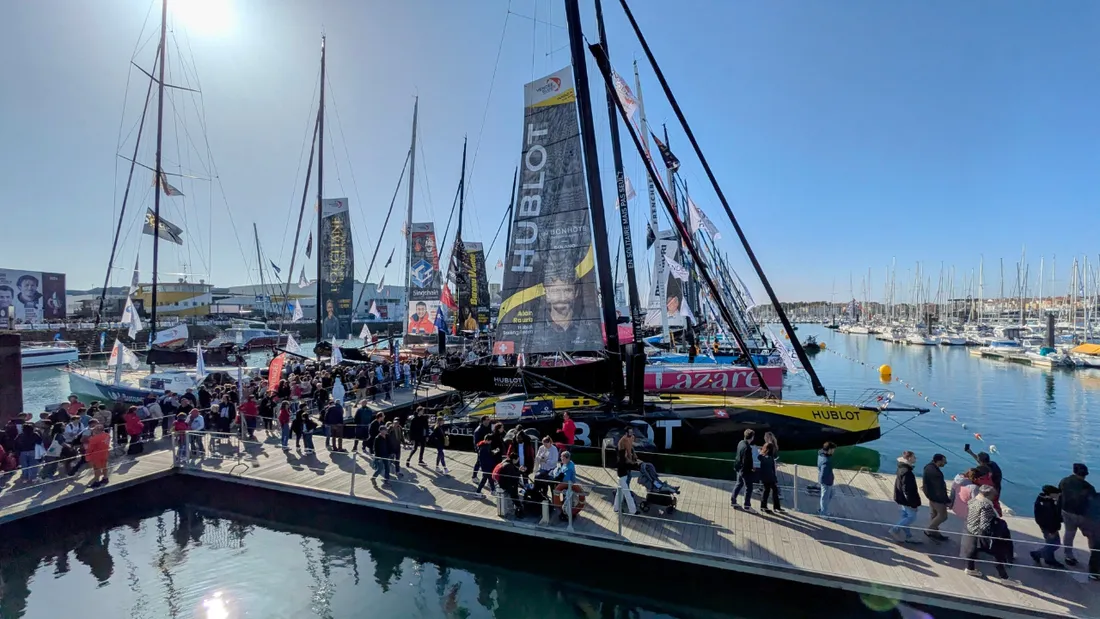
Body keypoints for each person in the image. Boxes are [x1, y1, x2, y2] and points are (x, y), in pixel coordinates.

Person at [962, 485, 1012, 580]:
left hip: (971, 528)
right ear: (988, 495)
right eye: (993, 494)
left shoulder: (973, 501)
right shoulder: (986, 506)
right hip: (980, 532)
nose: (995, 495)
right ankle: (1004, 578)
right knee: (998, 554)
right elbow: (984, 524)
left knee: (972, 550)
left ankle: (970, 569)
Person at [1058, 462, 1095, 566]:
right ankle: (1095, 557)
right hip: (1083, 515)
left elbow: (1059, 495)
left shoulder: (1064, 481)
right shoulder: (1088, 487)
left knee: (1069, 534)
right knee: (1092, 536)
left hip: (1066, 512)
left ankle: (1068, 556)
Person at [889, 451, 922, 544]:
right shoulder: (907, 472)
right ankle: (895, 529)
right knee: (911, 517)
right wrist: (912, 504)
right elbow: (907, 490)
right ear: (909, 458)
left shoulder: (901, 468)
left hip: (900, 497)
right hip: (906, 499)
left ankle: (909, 536)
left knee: (905, 516)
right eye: (914, 457)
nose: (915, 459)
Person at [1029, 485, 1066, 568]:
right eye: (1057, 494)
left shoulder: (1046, 501)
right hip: (1049, 528)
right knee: (1054, 544)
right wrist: (1052, 531)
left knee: (1051, 543)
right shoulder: (1046, 504)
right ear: (1052, 494)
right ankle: (1037, 554)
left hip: (1051, 527)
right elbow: (1049, 518)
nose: (1058, 496)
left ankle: (1049, 559)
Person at [922, 453, 950, 541]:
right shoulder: (936, 473)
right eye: (944, 461)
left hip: (930, 495)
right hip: (937, 498)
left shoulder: (928, 467)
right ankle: (929, 530)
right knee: (943, 516)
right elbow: (939, 488)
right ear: (938, 461)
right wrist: (946, 500)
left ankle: (934, 533)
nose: (945, 463)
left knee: (934, 515)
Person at [614, 429, 639, 515]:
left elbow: (631, 447)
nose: (631, 433)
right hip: (622, 474)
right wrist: (633, 463)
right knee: (627, 494)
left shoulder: (631, 438)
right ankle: (633, 511)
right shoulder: (622, 444)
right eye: (630, 432)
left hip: (622, 473)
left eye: (632, 432)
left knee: (619, 492)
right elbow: (625, 459)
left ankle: (616, 508)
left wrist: (634, 455)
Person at [730, 429, 756, 509]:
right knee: (749, 487)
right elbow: (747, 461)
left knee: (739, 484)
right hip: (745, 471)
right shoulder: (748, 448)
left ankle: (733, 501)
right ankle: (747, 505)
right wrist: (752, 469)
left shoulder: (740, 442)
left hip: (738, 467)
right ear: (752, 437)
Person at [494, 452, 523, 518]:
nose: (517, 461)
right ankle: (518, 508)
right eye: (517, 460)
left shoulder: (506, 462)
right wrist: (520, 471)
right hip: (506, 484)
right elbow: (514, 476)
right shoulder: (509, 466)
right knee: (514, 495)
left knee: (514, 490)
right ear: (514, 459)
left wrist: (518, 470)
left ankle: (516, 505)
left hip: (503, 482)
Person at [84, 421, 111, 488]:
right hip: (105, 453)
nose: (93, 431)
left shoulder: (94, 439)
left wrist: (87, 457)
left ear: (97, 431)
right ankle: (105, 478)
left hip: (96, 456)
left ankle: (97, 482)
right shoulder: (107, 435)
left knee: (97, 469)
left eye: (94, 430)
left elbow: (89, 449)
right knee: (104, 466)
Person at [758, 443, 782, 513]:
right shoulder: (769, 458)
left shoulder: (762, 457)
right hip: (769, 477)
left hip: (765, 477)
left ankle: (764, 506)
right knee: (773, 491)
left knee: (767, 491)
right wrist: (775, 478)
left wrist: (760, 451)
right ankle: (776, 507)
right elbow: (772, 469)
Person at [818, 442, 837, 517]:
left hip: (827, 481)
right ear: (829, 450)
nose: (833, 451)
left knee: (830, 494)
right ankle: (823, 514)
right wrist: (825, 482)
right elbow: (823, 473)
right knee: (825, 498)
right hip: (826, 482)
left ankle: (822, 510)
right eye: (833, 450)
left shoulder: (820, 453)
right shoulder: (826, 461)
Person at [471, 417, 492, 481]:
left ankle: (488, 478)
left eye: (489, 420)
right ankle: (474, 476)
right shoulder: (478, 430)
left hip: (488, 448)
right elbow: (476, 442)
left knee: (488, 463)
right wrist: (478, 450)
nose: (489, 421)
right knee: (479, 462)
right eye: (487, 420)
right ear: (483, 421)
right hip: (481, 449)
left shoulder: (488, 427)